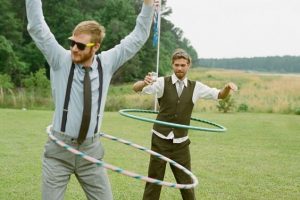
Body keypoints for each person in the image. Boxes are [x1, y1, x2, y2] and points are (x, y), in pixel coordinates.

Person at [25, 0, 156, 199]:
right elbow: (37, 26)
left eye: (80, 45)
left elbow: (137, 38)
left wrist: (147, 6)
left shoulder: (108, 63)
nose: (74, 49)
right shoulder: (60, 60)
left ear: (95, 47)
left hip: (91, 151)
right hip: (59, 150)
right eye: (72, 42)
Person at [133, 48, 238, 200]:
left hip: (181, 144)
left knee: (186, 182)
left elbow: (219, 95)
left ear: (188, 65)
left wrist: (227, 87)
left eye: (183, 65)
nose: (179, 68)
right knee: (154, 181)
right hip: (160, 139)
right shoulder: (162, 82)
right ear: (172, 65)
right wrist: (143, 82)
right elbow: (136, 89)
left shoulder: (196, 87)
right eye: (176, 65)